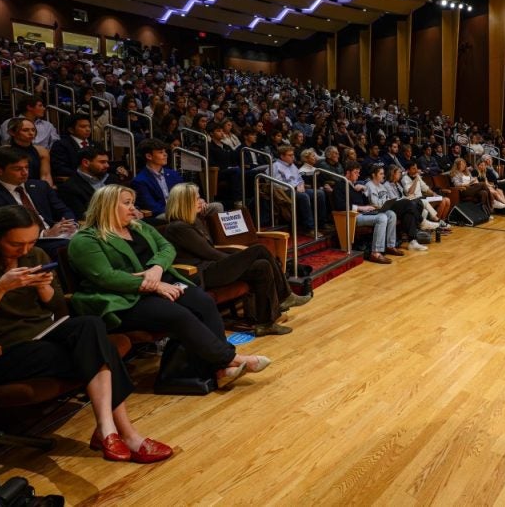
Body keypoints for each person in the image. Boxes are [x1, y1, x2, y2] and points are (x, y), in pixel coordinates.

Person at [0, 205, 173, 463]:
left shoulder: (34, 255)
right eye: (15, 244)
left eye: (31, 242)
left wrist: (46, 291)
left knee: (90, 326)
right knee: (104, 349)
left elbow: (59, 309)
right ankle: (126, 433)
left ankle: (108, 429)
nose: (24, 250)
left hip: (42, 336)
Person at [68, 185, 271, 387]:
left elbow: (167, 248)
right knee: (178, 314)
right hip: (124, 299)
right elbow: (107, 278)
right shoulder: (86, 240)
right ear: (107, 205)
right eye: (127, 203)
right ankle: (229, 360)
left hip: (164, 281)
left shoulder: (139, 227)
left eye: (133, 203)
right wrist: (155, 285)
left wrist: (157, 268)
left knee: (204, 302)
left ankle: (221, 368)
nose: (133, 208)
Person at [162, 183, 310, 335]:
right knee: (259, 250)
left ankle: (265, 324)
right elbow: (210, 253)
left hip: (212, 266)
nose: (201, 201)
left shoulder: (194, 221)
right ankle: (285, 295)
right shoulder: (178, 227)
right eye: (196, 199)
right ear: (185, 202)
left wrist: (239, 261)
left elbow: (212, 252)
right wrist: (239, 261)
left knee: (262, 266)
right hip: (202, 274)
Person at [0, 146, 77, 254]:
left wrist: (68, 224)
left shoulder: (40, 186)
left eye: (26, 167)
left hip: (58, 234)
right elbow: (3, 233)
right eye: (17, 169)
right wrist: (44, 234)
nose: (25, 172)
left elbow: (63, 210)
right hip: (28, 243)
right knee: (70, 246)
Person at [333, 161, 399, 264]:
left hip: (362, 213)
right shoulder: (340, 185)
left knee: (391, 214)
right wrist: (360, 208)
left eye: (359, 172)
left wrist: (364, 190)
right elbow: (340, 206)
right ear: (348, 172)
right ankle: (375, 253)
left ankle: (390, 245)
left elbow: (364, 202)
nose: (358, 175)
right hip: (352, 216)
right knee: (382, 218)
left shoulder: (356, 186)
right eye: (355, 172)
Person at [363, 164, 427, 252]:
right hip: (378, 210)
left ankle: (413, 241)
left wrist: (389, 202)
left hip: (387, 207)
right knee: (407, 202)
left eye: (383, 173)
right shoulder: (369, 185)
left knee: (409, 213)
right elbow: (374, 203)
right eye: (381, 174)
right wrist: (387, 203)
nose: (383, 176)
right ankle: (421, 221)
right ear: (374, 175)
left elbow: (387, 199)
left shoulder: (381, 186)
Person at [272, 145, 329, 233]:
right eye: (290, 155)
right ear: (282, 156)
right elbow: (276, 184)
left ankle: (321, 223)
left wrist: (301, 184)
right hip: (285, 191)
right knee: (304, 196)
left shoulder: (292, 165)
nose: (293, 157)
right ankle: (309, 228)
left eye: (293, 155)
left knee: (320, 193)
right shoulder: (275, 166)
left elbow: (299, 178)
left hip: (297, 188)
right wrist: (294, 187)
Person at [58, 147, 126, 220]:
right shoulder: (69, 187)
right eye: (102, 162)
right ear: (86, 163)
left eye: (107, 162)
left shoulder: (112, 179)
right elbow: (83, 217)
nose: (107, 165)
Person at [131, 138, 183, 218]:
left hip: (180, 210)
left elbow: (185, 194)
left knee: (208, 207)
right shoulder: (139, 181)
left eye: (165, 151)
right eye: (161, 152)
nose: (166, 154)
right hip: (160, 215)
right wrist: (178, 211)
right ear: (149, 156)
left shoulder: (173, 174)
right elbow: (152, 207)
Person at [6, 117, 54, 186]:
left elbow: (46, 176)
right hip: (13, 186)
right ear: (12, 132)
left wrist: (48, 191)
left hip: (37, 186)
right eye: (25, 130)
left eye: (33, 130)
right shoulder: (5, 151)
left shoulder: (42, 151)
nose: (31, 133)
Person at [50, 113, 94, 178]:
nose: (88, 129)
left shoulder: (96, 144)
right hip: (74, 180)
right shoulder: (61, 145)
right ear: (71, 130)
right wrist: (84, 175)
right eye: (83, 127)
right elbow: (60, 168)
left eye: (89, 126)